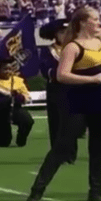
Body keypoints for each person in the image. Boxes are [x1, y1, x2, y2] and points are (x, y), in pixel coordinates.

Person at [26, 4, 101, 201]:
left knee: (99, 149)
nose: (99, 22)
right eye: (95, 18)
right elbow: (61, 75)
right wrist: (91, 80)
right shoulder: (72, 46)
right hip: (78, 101)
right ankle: (37, 190)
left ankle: (96, 191)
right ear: (83, 22)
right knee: (62, 147)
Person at [38, 19, 76, 162]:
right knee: (56, 122)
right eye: (61, 32)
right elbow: (45, 69)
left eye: (67, 32)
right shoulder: (48, 50)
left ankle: (71, 153)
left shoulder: (74, 48)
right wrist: (61, 73)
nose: (65, 35)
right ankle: (58, 153)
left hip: (72, 88)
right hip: (56, 88)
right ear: (55, 34)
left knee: (71, 121)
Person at [0, 55, 34, 147]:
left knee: (27, 121)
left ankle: (21, 139)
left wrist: (18, 97)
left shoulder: (18, 80)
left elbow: (26, 97)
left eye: (10, 69)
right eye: (5, 69)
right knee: (1, 143)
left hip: (14, 109)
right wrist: (6, 99)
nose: (8, 72)